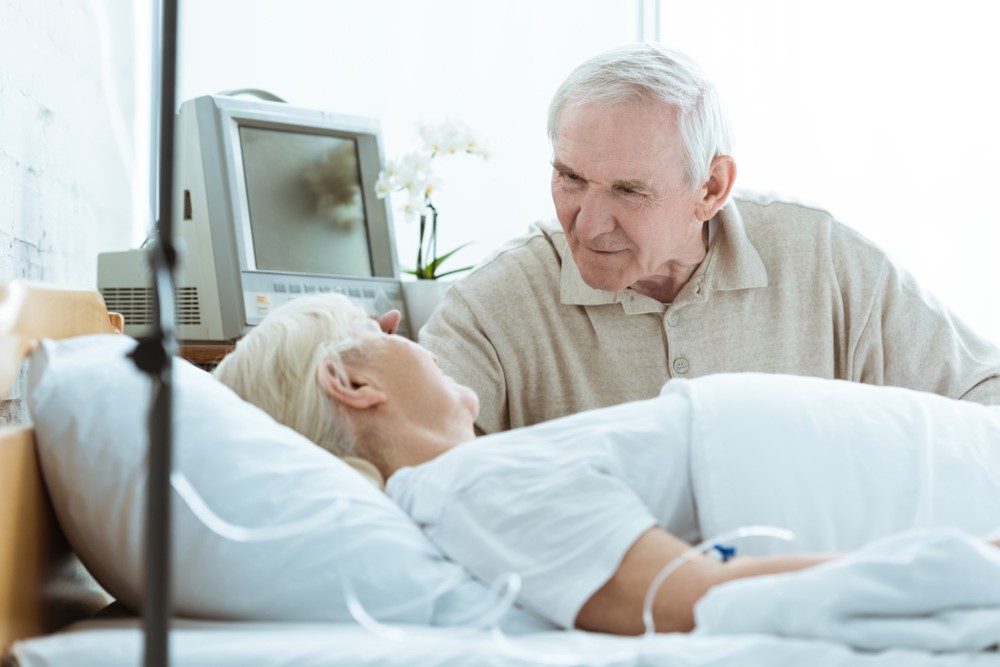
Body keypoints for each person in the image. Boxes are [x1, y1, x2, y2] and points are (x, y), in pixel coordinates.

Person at [213, 292, 1000, 636]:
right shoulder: (474, 487)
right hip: (954, 489)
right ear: (352, 383)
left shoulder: (482, 475)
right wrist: (970, 565)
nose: (407, 330)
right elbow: (693, 596)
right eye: (375, 328)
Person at [417, 42, 1000, 435]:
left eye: (628, 191)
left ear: (712, 188)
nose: (589, 224)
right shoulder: (492, 307)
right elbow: (412, 454)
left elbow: (983, 396)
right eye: (570, 177)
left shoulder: (819, 258)